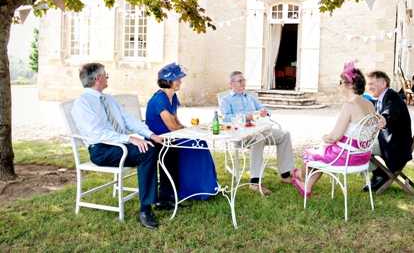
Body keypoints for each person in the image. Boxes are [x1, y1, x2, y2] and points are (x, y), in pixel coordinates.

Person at [71, 63, 165, 229]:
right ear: (98, 78)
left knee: (157, 146)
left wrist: (150, 135)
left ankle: (161, 196)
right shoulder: (82, 104)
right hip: (101, 150)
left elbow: (128, 120)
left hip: (118, 144)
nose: (107, 77)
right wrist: (130, 139)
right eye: (105, 75)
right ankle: (145, 210)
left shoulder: (108, 99)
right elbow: (98, 134)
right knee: (147, 152)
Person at [291, 62, 379, 196]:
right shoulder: (369, 104)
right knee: (321, 150)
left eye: (341, 82)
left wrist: (326, 137)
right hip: (363, 156)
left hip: (346, 158)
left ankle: (300, 176)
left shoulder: (349, 105)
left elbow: (335, 137)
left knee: (312, 152)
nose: (339, 86)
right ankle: (306, 186)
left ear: (349, 85)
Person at [146, 63, 217, 201]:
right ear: (169, 81)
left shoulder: (172, 97)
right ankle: (189, 190)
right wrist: (189, 131)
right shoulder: (160, 99)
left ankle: (200, 188)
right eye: (177, 79)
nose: (180, 82)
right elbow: (172, 127)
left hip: (170, 137)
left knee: (199, 142)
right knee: (195, 144)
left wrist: (191, 130)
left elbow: (176, 122)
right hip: (159, 139)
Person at [220, 71, 294, 195]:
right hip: (240, 135)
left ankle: (285, 174)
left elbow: (263, 108)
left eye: (244, 80)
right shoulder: (226, 100)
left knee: (285, 134)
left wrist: (265, 112)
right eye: (240, 81)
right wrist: (245, 117)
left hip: (258, 130)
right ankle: (255, 182)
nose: (243, 83)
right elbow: (226, 118)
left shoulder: (250, 97)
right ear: (231, 84)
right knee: (259, 138)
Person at [365, 70, 413, 191]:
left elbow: (390, 113)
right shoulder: (382, 98)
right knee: (360, 142)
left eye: (372, 84)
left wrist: (384, 120)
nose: (369, 87)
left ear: (383, 83)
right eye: (368, 84)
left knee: (361, 147)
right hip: (390, 141)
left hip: (396, 146)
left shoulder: (392, 97)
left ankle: (381, 174)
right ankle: (379, 174)